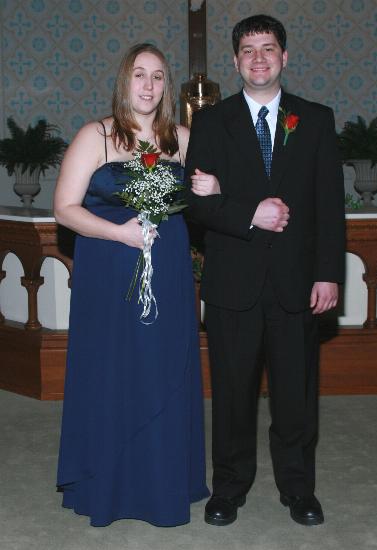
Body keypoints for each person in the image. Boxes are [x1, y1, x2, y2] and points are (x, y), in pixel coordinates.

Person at [185, 14, 345, 527]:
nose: (259, 58)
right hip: (233, 284)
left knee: (296, 398)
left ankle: (299, 489)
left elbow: (329, 206)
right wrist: (249, 212)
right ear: (235, 62)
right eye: (248, 50)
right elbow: (196, 205)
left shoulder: (315, 119)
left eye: (268, 48)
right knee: (233, 396)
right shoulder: (211, 123)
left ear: (284, 57)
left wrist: (328, 273)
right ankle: (228, 489)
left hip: (298, 284)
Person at [55, 43, 209, 527]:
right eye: (140, 74)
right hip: (108, 270)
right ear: (125, 80)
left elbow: (209, 199)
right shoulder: (95, 135)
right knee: (113, 371)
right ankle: (107, 484)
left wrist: (215, 189)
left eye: (158, 76)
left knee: (164, 369)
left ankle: (163, 483)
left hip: (168, 271)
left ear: (167, 86)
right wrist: (119, 233)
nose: (148, 85)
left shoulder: (183, 139)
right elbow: (64, 209)